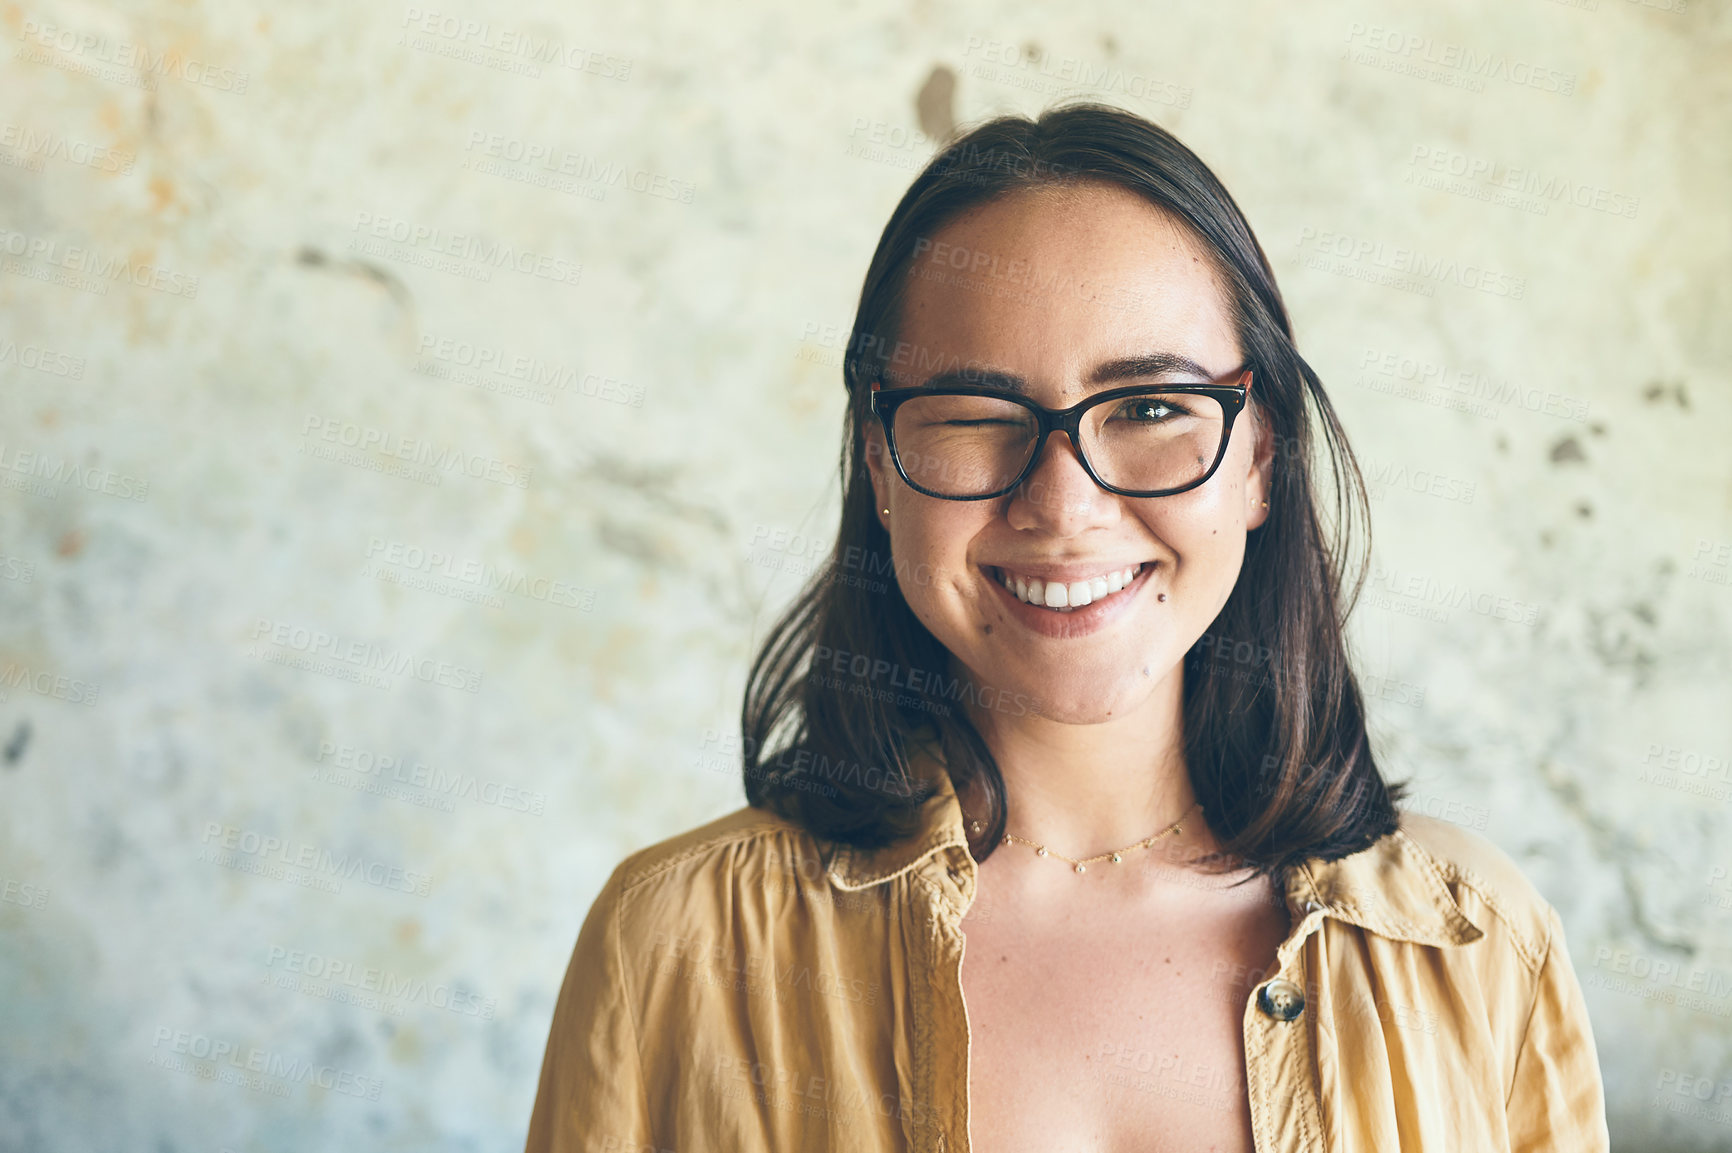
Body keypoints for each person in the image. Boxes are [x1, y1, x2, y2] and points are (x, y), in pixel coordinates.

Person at [525, 102, 1611, 1152]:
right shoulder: (673, 947)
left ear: (1261, 458)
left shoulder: (1475, 946)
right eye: (977, 417)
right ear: (877, 462)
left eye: (1147, 408)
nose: (1062, 504)